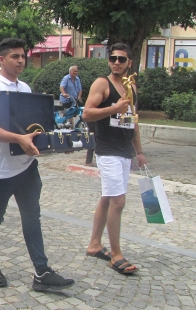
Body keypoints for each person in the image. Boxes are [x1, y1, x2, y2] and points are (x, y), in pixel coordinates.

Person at [0, 38, 75, 292]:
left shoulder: (26, 86)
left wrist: (52, 143)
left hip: (27, 166)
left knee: (32, 218)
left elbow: (32, 127)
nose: (21, 60)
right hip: (0, 168)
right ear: (1, 60)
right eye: (15, 57)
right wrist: (18, 139)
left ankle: (41, 272)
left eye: (23, 56)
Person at [83, 43, 146, 275]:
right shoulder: (103, 83)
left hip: (124, 151)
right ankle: (116, 254)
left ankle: (94, 245)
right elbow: (86, 112)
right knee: (118, 202)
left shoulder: (131, 87)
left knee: (108, 198)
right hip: (107, 149)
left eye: (121, 59)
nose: (116, 62)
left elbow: (133, 121)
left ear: (130, 62)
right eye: (113, 58)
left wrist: (138, 151)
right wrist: (114, 108)